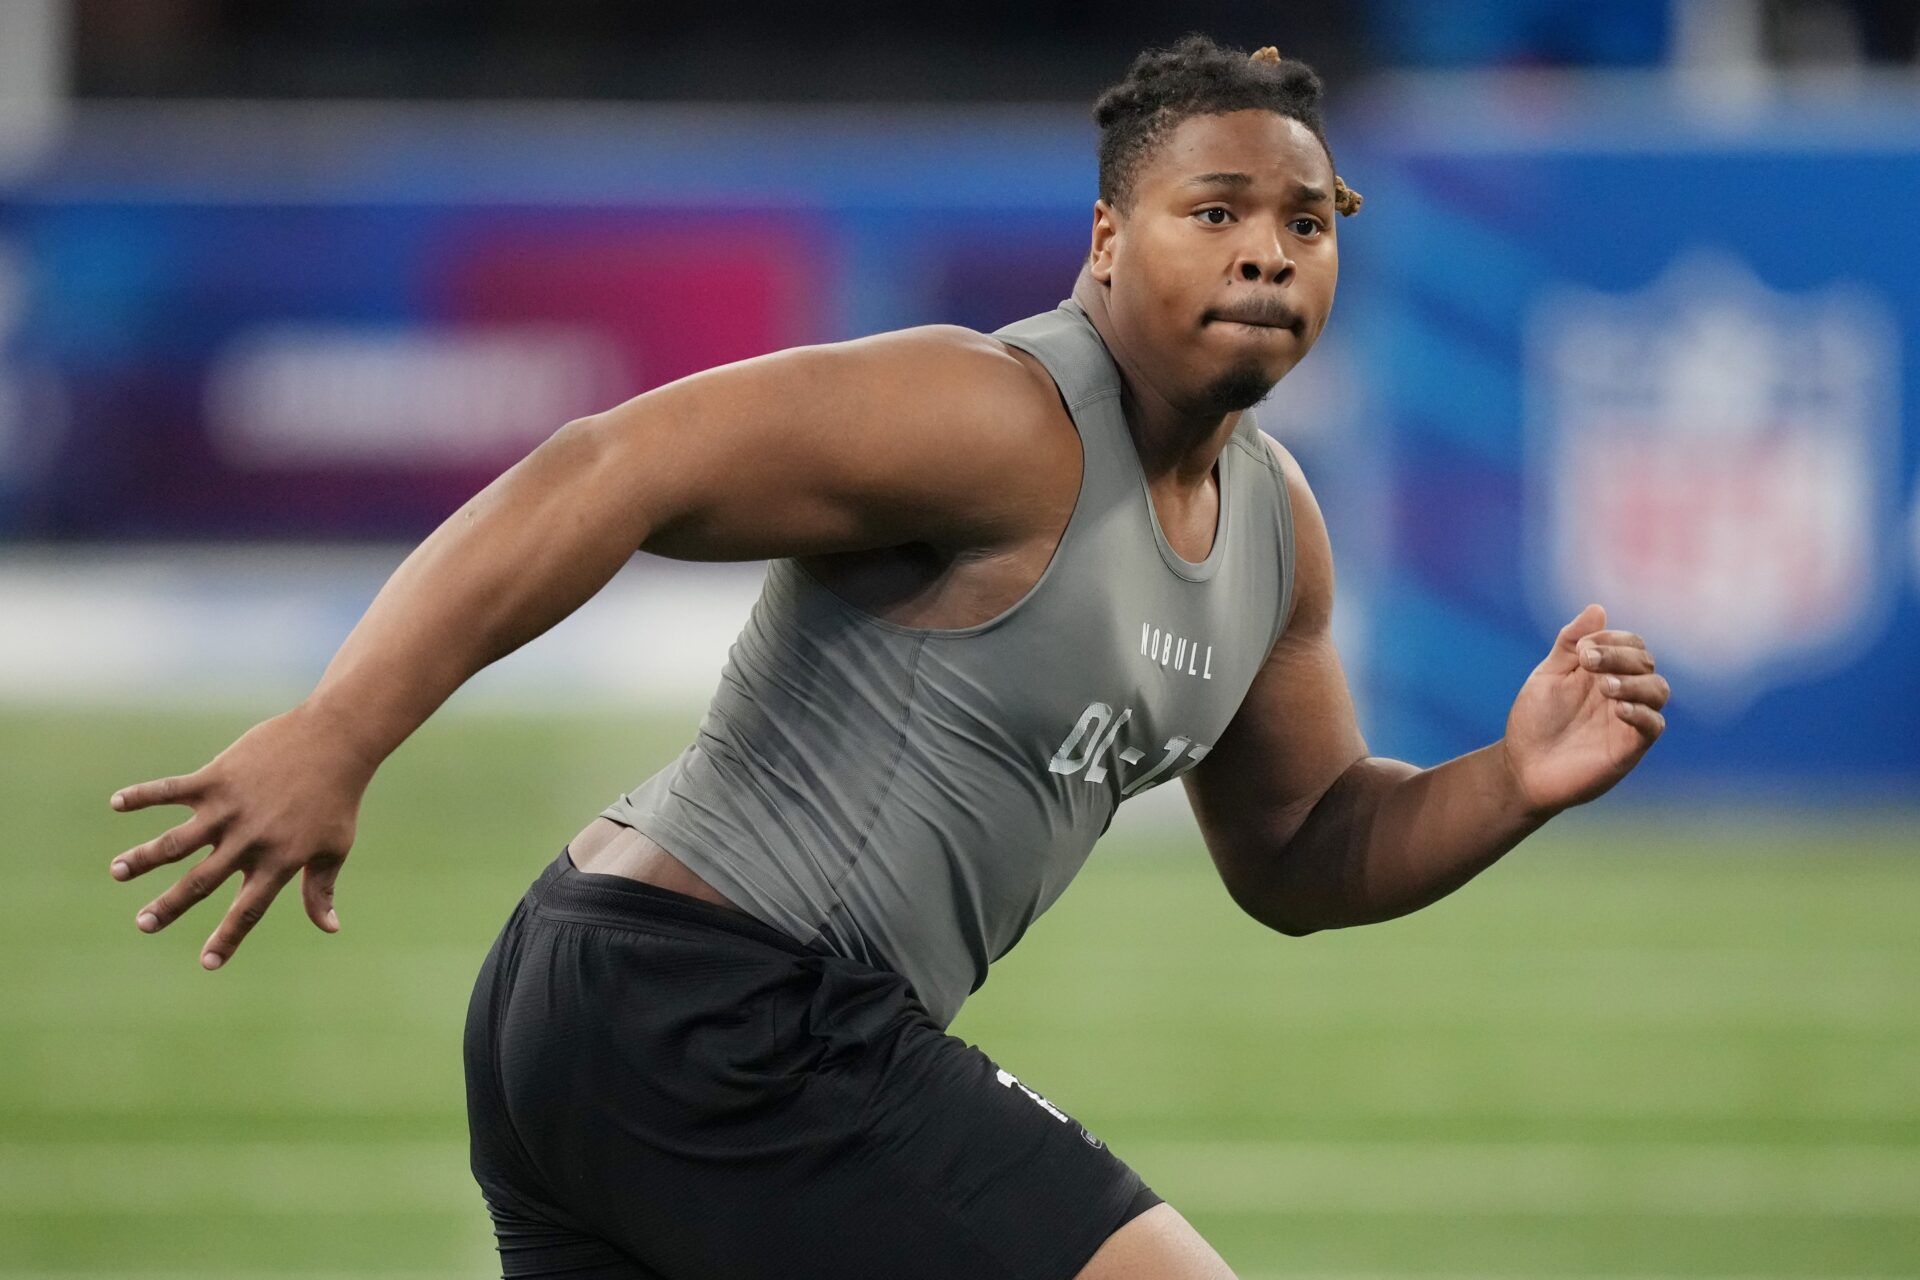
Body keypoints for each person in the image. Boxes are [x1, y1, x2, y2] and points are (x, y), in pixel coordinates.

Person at [104, 34, 1670, 1280]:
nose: (1269, 252)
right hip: (721, 1005)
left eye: (1305, 222)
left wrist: (1510, 782)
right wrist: (341, 728)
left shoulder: (1276, 530)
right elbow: (609, 465)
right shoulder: (993, 419)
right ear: (1110, 242)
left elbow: (1306, 848)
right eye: (1219, 214)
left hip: (626, 1014)